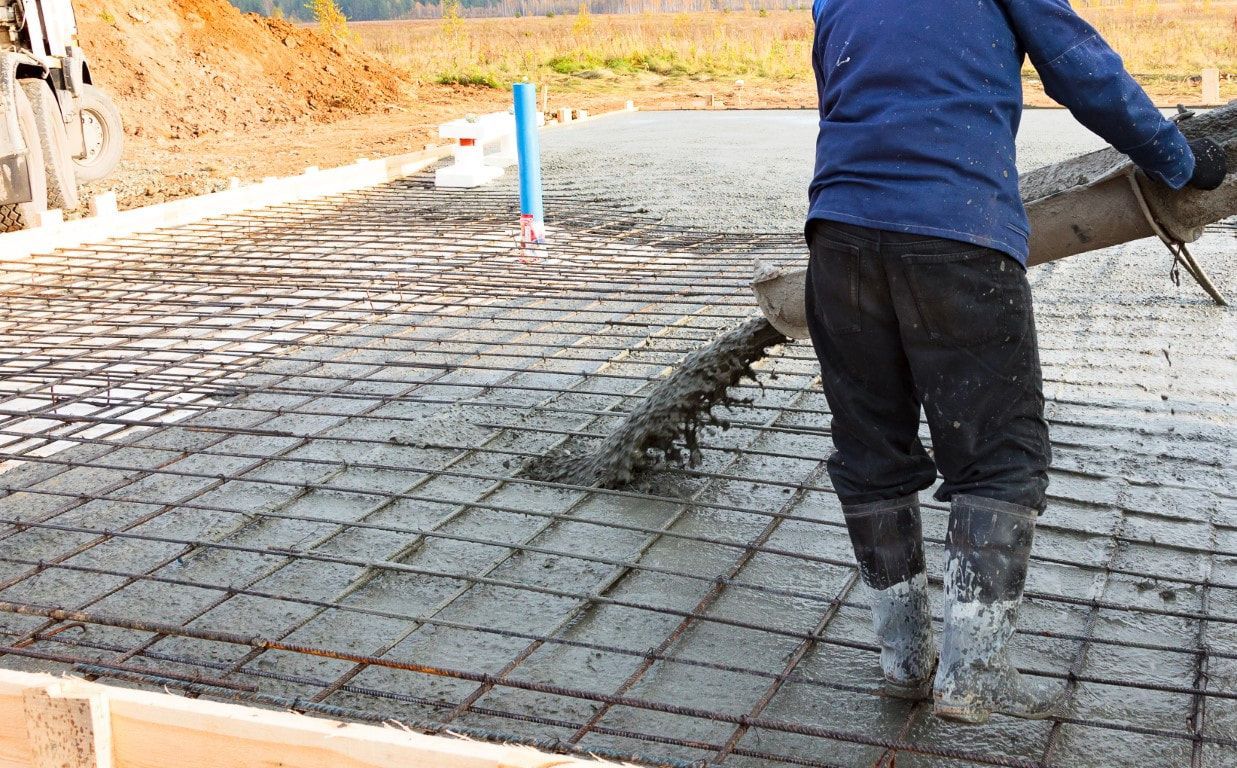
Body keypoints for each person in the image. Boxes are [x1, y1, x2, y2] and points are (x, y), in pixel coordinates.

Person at [805, 0, 1227, 725]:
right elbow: (1084, 74)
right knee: (999, 459)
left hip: (837, 243)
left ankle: (903, 665)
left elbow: (847, 89)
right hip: (956, 242)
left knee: (870, 452)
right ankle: (972, 680)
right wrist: (1183, 159)